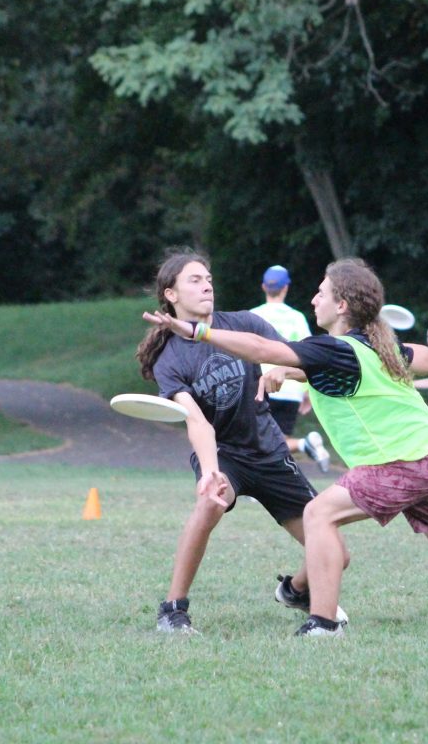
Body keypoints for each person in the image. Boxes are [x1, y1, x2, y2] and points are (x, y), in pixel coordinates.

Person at [144, 258, 428, 638]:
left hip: (401, 462)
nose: (313, 299)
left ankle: (323, 625)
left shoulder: (333, 348)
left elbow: (265, 350)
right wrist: (295, 372)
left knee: (319, 513)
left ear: (341, 305)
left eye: (321, 293)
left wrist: (201, 332)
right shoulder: (370, 345)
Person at [136, 250, 347, 635]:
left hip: (269, 451)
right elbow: (196, 420)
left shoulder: (246, 324)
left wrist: (282, 370)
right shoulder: (170, 358)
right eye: (195, 280)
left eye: (208, 278)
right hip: (225, 455)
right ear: (171, 295)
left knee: (338, 555)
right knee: (209, 505)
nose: (207, 285)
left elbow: (299, 359)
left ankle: (296, 590)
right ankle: (172, 610)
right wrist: (212, 472)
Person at [250, 264, 332, 473]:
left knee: (259, 439)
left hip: (260, 385)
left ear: (263, 287)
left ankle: (304, 445)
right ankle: (304, 446)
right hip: (290, 388)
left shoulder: (252, 316)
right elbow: (306, 355)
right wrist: (307, 391)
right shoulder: (297, 317)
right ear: (286, 288)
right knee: (277, 440)